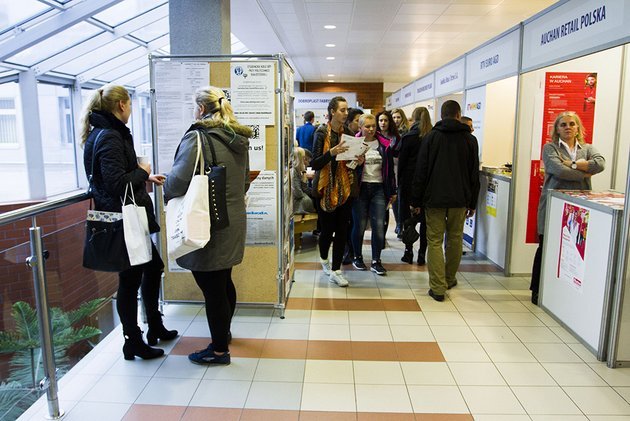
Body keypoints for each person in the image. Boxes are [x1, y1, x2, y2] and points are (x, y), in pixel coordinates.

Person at [81, 84, 177, 360]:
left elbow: (111, 175)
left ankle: (152, 326)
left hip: (127, 217)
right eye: (131, 105)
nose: (132, 110)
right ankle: (133, 339)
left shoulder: (102, 133)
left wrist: (145, 177)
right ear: (121, 105)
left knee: (148, 269)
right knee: (130, 279)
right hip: (125, 220)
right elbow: (115, 183)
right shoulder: (110, 136)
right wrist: (141, 171)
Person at [164, 86, 252, 365]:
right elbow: (244, 180)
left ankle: (218, 351)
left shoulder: (198, 138)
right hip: (232, 218)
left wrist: (164, 187)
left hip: (208, 220)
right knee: (223, 280)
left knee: (211, 286)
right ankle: (223, 334)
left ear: (201, 109)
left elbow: (177, 181)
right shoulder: (237, 137)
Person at [530, 111, 605, 305]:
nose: (568, 127)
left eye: (572, 124)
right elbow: (557, 170)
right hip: (554, 205)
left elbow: (600, 164)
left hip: (578, 208)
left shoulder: (587, 148)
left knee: (574, 250)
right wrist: (584, 173)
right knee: (546, 246)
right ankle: (537, 290)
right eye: (563, 124)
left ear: (578, 127)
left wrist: (571, 163)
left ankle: (565, 293)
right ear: (557, 129)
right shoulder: (550, 148)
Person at [411, 100, 480, 302]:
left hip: (434, 198)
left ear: (441, 116)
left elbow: (421, 171)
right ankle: (449, 279)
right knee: (456, 238)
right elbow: (473, 174)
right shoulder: (470, 140)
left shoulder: (431, 137)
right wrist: (473, 202)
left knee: (434, 240)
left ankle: (438, 287)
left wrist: (415, 200)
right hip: (460, 199)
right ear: (459, 115)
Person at [311, 96, 363, 287]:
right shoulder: (321, 133)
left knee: (342, 230)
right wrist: (331, 152)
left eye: (347, 110)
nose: (346, 113)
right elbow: (314, 163)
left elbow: (349, 163)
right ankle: (324, 258)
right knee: (327, 230)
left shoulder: (348, 132)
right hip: (324, 189)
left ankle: (336, 270)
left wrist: (357, 161)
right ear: (332, 112)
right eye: (342, 110)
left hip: (345, 188)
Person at [350, 114, 396, 275]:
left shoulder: (384, 145)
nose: (371, 129)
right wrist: (357, 164)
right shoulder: (354, 144)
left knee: (378, 226)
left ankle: (376, 260)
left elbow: (390, 170)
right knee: (359, 225)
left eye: (373, 126)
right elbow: (347, 168)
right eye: (367, 126)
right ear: (360, 127)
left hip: (379, 189)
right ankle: (357, 257)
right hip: (360, 189)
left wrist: (393, 190)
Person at [398, 106, 432, 265]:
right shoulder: (432, 136)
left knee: (408, 220)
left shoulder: (408, 137)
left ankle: (408, 252)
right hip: (427, 185)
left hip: (409, 184)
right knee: (425, 222)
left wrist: (399, 185)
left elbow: (402, 164)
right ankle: (421, 255)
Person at [341, 107, 365, 265]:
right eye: (357, 120)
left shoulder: (362, 139)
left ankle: (352, 251)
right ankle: (345, 251)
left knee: (355, 221)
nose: (360, 123)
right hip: (343, 185)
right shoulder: (344, 137)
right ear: (350, 122)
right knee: (345, 221)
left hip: (356, 187)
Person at [375, 110, 401, 240]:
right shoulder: (373, 137)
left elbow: (398, 157)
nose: (383, 123)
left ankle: (382, 237)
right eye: (380, 120)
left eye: (385, 120)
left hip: (391, 174)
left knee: (385, 207)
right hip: (376, 175)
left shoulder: (395, 138)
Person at [292, 147, 316, 214]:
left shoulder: (299, 171)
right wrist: (304, 181)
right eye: (306, 160)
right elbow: (298, 194)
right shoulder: (294, 172)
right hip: (296, 207)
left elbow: (304, 190)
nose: (308, 164)